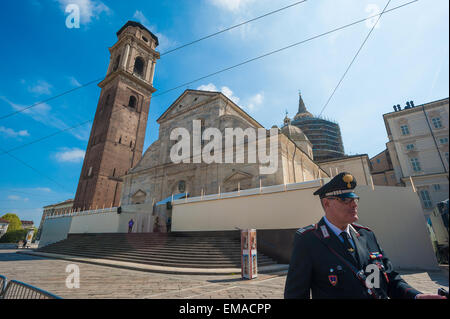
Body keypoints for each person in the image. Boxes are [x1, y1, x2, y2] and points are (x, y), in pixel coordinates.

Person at [284, 172, 446, 299]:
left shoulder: (367, 235)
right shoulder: (308, 239)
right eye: (345, 200)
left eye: (354, 199)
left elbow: (390, 279)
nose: (354, 204)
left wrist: (417, 296)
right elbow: (296, 295)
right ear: (327, 203)